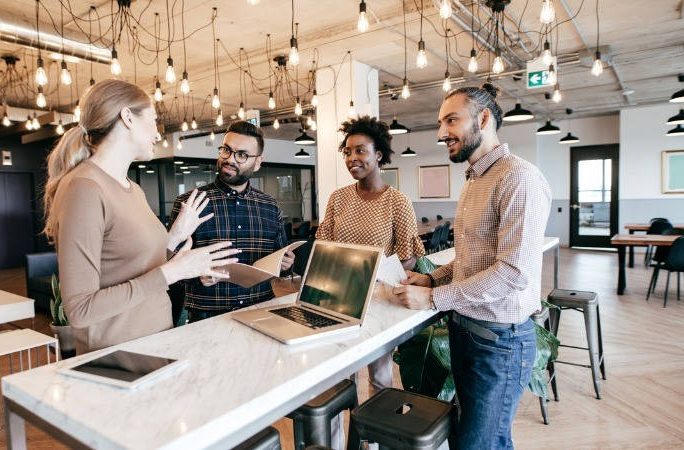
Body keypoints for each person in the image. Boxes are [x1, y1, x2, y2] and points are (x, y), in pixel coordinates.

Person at [394, 83, 551, 449]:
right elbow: (469, 260)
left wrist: (433, 298)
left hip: (499, 341)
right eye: (439, 122)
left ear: (483, 119)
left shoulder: (517, 177)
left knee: (480, 445)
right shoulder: (474, 180)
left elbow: (512, 273)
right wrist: (430, 278)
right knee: (472, 440)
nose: (440, 133)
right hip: (468, 332)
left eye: (451, 120)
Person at [43, 79, 240, 354]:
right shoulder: (85, 188)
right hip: (119, 358)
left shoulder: (131, 188)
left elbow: (133, 267)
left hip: (155, 344)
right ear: (127, 117)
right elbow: (80, 310)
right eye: (153, 120)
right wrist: (173, 271)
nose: (158, 134)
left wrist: (175, 239)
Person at [316, 115, 425, 390]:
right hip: (338, 296)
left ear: (378, 155)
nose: (352, 157)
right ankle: (340, 434)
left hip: (379, 297)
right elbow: (324, 245)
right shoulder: (338, 198)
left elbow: (408, 258)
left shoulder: (397, 201)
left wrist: (369, 272)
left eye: (360, 150)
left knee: (379, 376)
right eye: (348, 152)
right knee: (338, 377)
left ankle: (376, 434)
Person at [167, 121, 294, 322]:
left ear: (258, 162)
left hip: (261, 312)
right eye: (226, 150)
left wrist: (285, 264)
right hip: (206, 318)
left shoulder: (270, 206)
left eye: (241, 155)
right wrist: (197, 276)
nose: (230, 159)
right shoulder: (189, 203)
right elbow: (168, 267)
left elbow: (278, 262)